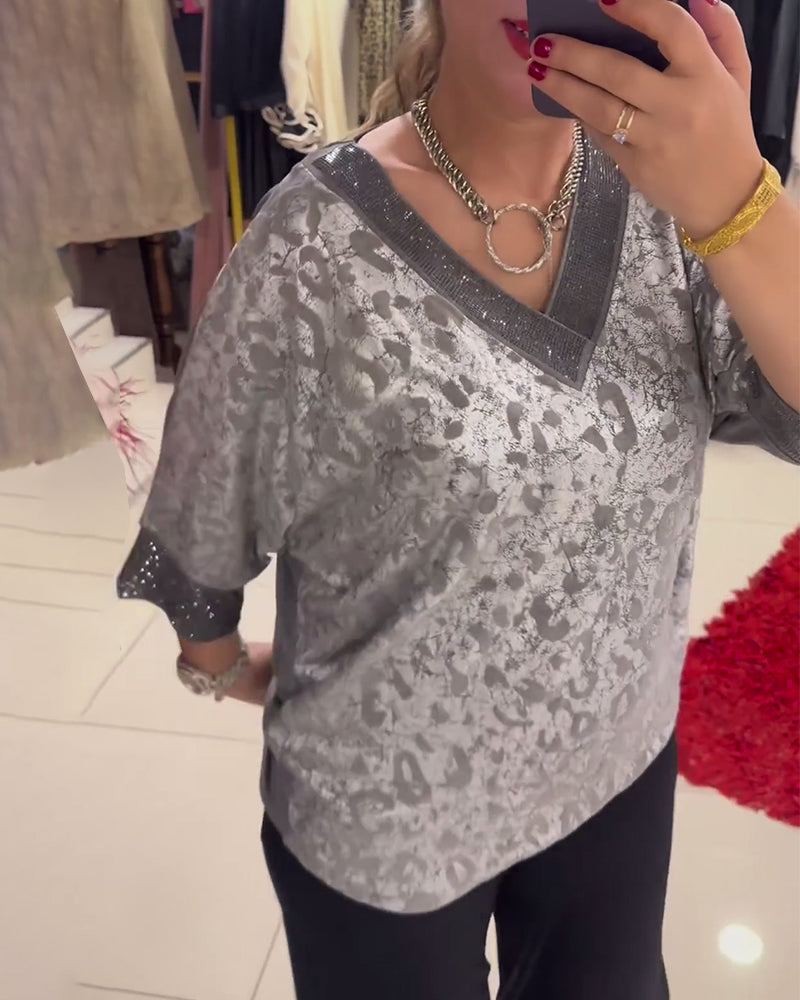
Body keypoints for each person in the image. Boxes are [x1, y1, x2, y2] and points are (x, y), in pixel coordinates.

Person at [118, 0, 800, 996]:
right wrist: (220, 669)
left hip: (614, 769)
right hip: (383, 820)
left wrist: (740, 205)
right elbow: (201, 521)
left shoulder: (679, 201)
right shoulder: (313, 245)